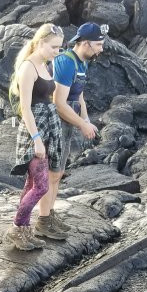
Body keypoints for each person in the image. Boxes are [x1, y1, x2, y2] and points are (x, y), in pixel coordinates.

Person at [41, 22, 105, 239]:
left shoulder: (82, 62)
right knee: (52, 172)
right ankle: (43, 220)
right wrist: (82, 125)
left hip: (68, 120)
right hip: (56, 121)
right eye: (98, 44)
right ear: (85, 43)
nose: (101, 49)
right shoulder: (66, 62)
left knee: (58, 172)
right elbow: (59, 103)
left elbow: (79, 96)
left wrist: (86, 119)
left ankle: (49, 215)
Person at [6, 24, 66, 251]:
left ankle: (23, 230)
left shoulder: (44, 64)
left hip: (48, 129)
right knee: (40, 186)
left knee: (31, 183)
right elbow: (25, 108)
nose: (57, 52)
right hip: (34, 132)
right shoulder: (28, 68)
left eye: (59, 48)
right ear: (40, 43)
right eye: (53, 47)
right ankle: (16, 228)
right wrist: (37, 140)